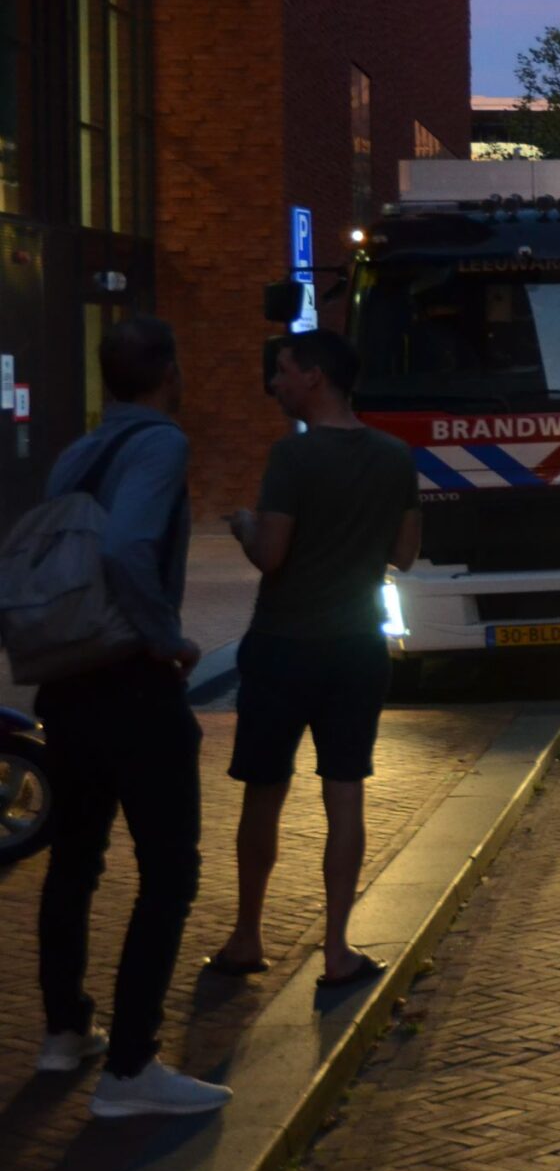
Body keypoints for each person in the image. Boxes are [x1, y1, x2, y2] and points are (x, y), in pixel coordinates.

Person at [31, 316, 233, 1117]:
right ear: (169, 373)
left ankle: (61, 1034)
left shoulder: (77, 451)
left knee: (74, 861)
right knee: (169, 874)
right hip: (131, 686)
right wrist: (169, 640)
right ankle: (130, 1068)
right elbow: (125, 549)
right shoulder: (160, 445)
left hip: (70, 682)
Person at [207, 328, 419, 989]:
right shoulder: (394, 456)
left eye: (283, 371)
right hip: (358, 647)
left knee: (264, 794)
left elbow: (272, 555)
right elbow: (406, 553)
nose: (274, 385)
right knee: (345, 790)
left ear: (315, 378)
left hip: (284, 647)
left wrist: (245, 524)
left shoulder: (291, 460)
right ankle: (336, 949)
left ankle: (248, 936)